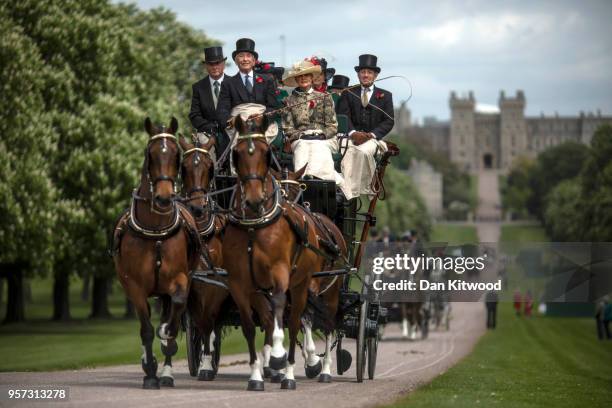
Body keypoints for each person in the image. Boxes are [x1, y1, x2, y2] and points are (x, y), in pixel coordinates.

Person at [337, 54, 394, 200]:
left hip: (372, 139)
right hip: (351, 136)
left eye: (369, 72)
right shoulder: (348, 92)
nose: (366, 75)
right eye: (363, 72)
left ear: (375, 75)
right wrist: (353, 133)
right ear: (358, 74)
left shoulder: (385, 95)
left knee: (363, 152)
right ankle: (349, 191)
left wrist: (371, 135)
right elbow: (343, 115)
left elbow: (389, 121)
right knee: (348, 151)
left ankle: (364, 188)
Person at [281, 60, 343, 187]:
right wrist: (300, 135)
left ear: (311, 77)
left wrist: (321, 135)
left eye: (306, 75)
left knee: (318, 147)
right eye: (300, 76)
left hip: (324, 138)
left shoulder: (325, 97)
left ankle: (324, 182)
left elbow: (332, 126)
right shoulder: (289, 100)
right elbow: (287, 127)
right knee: (303, 147)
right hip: (300, 139)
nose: (303, 78)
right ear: (296, 79)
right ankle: (303, 181)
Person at [216, 38, 279, 131]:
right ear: (236, 61)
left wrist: (263, 119)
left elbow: (273, 107)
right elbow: (222, 110)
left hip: (263, 125)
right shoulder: (227, 83)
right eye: (241, 56)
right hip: (238, 126)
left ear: (254, 61)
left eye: (248, 56)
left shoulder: (267, 80)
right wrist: (231, 121)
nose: (245, 59)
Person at [188, 46, 228, 162]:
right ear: (206, 66)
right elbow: (194, 115)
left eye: (218, 63)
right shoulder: (198, 87)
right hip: (207, 133)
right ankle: (209, 178)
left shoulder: (233, 83)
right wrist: (211, 128)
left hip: (230, 130)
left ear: (223, 64)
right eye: (211, 64)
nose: (215, 67)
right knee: (204, 153)